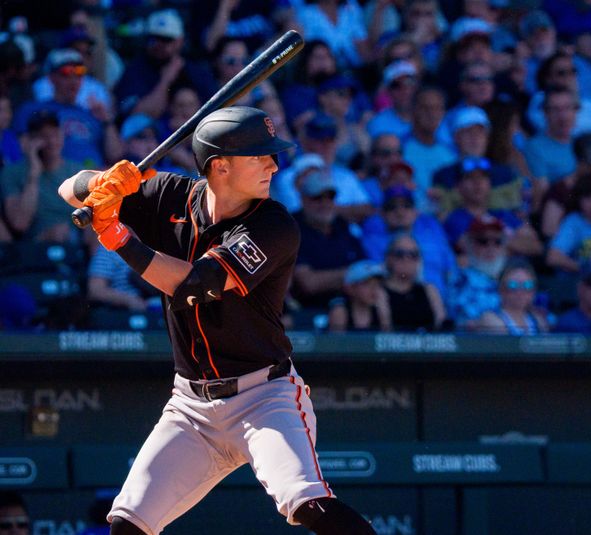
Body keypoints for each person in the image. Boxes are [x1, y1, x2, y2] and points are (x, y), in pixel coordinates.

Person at [58, 106, 376, 534]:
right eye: (259, 156)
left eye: (271, 155)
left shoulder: (275, 223)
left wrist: (119, 238)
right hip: (190, 408)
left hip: (264, 396)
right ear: (220, 166)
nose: (273, 164)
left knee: (308, 503)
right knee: (127, 523)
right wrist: (103, 185)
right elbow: (68, 189)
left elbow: (193, 285)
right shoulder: (169, 195)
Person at [360, 185, 456, 302]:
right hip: (398, 304)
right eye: (392, 207)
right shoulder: (371, 243)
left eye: (407, 206)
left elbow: (452, 273)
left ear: (416, 212)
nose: (400, 212)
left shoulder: (434, 239)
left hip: (442, 303)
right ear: (382, 213)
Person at [1, 110, 84, 242]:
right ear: (31, 140)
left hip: (78, 241)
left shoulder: (78, 171)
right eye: (43, 136)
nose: (51, 141)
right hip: (35, 247)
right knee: (57, 233)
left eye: (55, 134)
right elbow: (19, 223)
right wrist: (33, 173)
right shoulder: (12, 173)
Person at [291, 171, 366, 311]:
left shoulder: (341, 224)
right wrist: (353, 274)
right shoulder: (292, 227)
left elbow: (365, 266)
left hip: (350, 308)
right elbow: (309, 284)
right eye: (317, 198)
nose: (325, 203)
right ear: (303, 199)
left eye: (330, 197)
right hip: (309, 312)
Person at [382, 232, 448, 332]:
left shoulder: (430, 290)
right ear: (389, 258)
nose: (407, 259)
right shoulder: (379, 291)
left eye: (413, 254)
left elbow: (442, 326)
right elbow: (384, 331)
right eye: (400, 254)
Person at [475, 260, 549, 335]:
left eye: (527, 285)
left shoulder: (538, 321)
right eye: (513, 285)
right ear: (501, 288)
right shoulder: (490, 319)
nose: (520, 291)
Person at [328, 259, 391, 332]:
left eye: (378, 284)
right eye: (366, 283)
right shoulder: (340, 310)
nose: (374, 289)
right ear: (350, 288)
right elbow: (335, 342)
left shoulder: (381, 309)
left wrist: (384, 315)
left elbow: (387, 341)